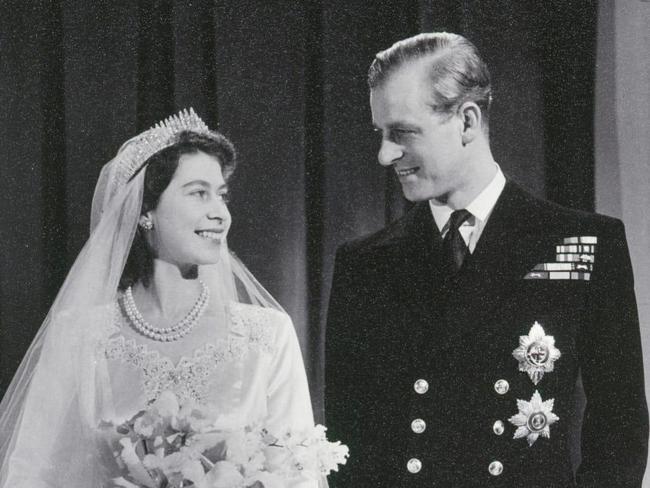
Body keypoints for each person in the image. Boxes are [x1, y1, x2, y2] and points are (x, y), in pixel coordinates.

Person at [325, 32, 648, 487]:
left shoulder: (584, 243)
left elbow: (621, 428)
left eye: (402, 132)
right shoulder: (365, 264)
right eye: (380, 134)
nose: (385, 154)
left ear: (468, 122)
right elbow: (349, 451)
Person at [0, 109, 319, 487]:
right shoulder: (79, 336)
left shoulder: (267, 335)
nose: (220, 214)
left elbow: (301, 476)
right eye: (199, 193)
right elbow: (29, 473)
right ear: (146, 210)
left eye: (222, 195)